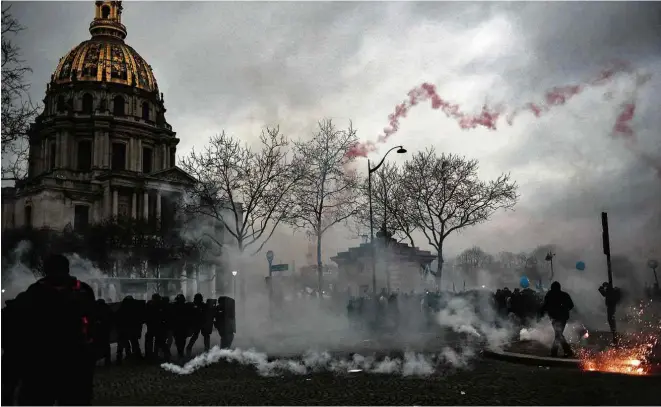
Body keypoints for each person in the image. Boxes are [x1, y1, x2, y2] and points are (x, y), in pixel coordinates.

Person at [14, 253, 97, 406]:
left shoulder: (32, 294)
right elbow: (96, 324)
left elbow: (18, 334)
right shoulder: (83, 292)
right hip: (72, 364)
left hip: (42, 366)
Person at [539, 281, 575, 358]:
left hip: (554, 317)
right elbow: (571, 305)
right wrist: (564, 308)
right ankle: (566, 351)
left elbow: (545, 306)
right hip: (562, 317)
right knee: (558, 334)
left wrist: (541, 313)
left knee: (558, 334)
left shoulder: (550, 295)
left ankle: (557, 352)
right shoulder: (564, 295)